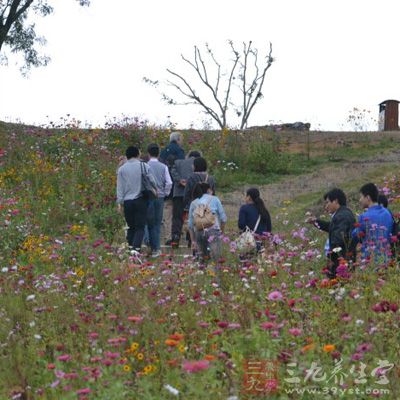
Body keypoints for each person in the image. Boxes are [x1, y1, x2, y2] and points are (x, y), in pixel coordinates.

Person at [308, 188, 356, 279]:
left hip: (340, 261)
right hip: (340, 260)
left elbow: (338, 238)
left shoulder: (342, 216)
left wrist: (330, 256)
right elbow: (332, 227)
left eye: (327, 202)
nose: (326, 206)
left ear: (335, 201)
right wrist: (317, 222)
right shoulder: (342, 214)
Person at [117, 146, 155, 252]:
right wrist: (154, 190)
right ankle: (136, 250)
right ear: (137, 154)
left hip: (127, 201)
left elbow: (119, 188)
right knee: (140, 227)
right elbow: (152, 181)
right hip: (140, 199)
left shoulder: (122, 169)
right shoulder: (144, 166)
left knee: (131, 227)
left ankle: (130, 249)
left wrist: (119, 203)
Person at [166, 150, 202, 247]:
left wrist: (179, 180)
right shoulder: (198, 164)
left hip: (178, 193)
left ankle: (175, 237)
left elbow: (172, 171)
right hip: (193, 195)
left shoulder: (178, 162)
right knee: (193, 217)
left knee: (177, 217)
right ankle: (191, 239)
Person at [352, 183, 393, 265]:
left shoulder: (364, 216)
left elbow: (355, 235)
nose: (360, 200)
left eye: (361, 197)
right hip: (386, 257)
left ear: (368, 197)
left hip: (370, 259)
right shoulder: (387, 213)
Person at [188, 182, 227, 262]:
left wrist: (193, 241)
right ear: (208, 190)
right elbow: (223, 218)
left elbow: (190, 225)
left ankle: (202, 272)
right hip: (214, 231)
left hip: (199, 232)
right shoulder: (215, 199)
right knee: (216, 260)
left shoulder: (194, 203)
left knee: (202, 260)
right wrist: (222, 232)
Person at [146, 143, 173, 257]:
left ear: (148, 153)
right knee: (157, 223)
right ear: (158, 153)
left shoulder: (145, 165)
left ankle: (148, 242)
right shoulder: (164, 166)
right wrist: (165, 193)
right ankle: (156, 248)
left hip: (147, 196)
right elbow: (169, 182)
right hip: (160, 196)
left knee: (147, 222)